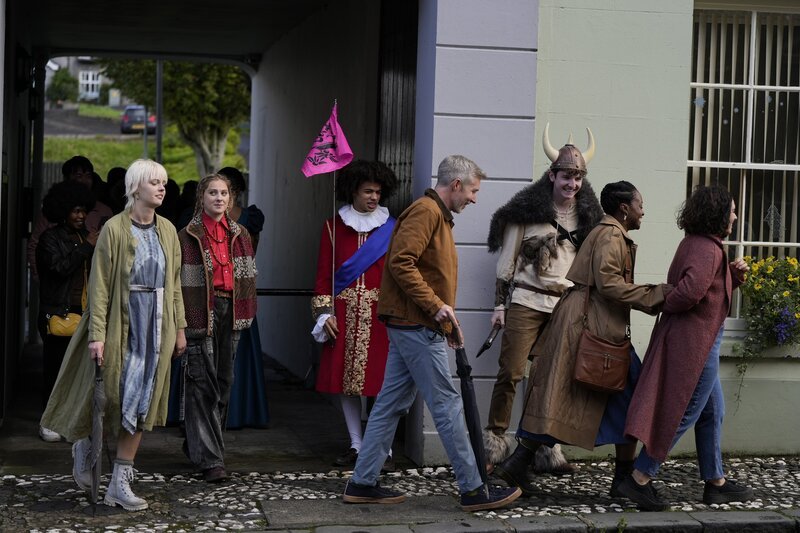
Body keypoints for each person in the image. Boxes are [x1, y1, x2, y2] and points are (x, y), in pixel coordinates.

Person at [342, 155, 522, 512]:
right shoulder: (426, 212)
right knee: (447, 405)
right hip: (416, 325)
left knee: (390, 404)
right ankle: (474, 489)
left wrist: (444, 321)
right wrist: (436, 308)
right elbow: (401, 262)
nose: (474, 198)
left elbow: (414, 267)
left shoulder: (435, 215)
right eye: (472, 190)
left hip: (415, 324)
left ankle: (362, 483)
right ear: (455, 185)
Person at [494, 181, 671, 499]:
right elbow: (609, 284)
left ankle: (518, 465)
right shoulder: (610, 235)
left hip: (592, 324)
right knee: (627, 398)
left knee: (562, 396)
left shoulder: (611, 233)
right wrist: (658, 294)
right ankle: (622, 480)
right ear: (624, 208)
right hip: (591, 327)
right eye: (640, 203)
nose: (644, 210)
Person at [40, 159, 187, 512]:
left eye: (164, 182)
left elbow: (175, 284)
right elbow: (101, 286)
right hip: (123, 324)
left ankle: (120, 481)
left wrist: (180, 329)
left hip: (156, 326)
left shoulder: (168, 229)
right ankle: (86, 445)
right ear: (136, 187)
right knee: (110, 395)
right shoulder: (115, 229)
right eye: (155, 182)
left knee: (141, 402)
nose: (162, 188)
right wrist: (97, 335)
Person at [620, 186, 754, 511]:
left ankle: (716, 482)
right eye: (732, 210)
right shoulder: (707, 250)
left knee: (712, 411)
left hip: (699, 339)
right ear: (718, 213)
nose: (735, 216)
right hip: (696, 345)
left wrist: (729, 277)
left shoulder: (699, 245)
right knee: (684, 410)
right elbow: (688, 293)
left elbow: (703, 290)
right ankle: (639, 478)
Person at [484, 125, 603, 473]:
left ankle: (543, 449)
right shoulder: (526, 213)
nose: (572, 184)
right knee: (511, 373)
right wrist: (499, 306)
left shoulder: (587, 219)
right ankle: (494, 443)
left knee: (549, 380)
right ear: (552, 176)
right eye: (567, 176)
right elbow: (506, 262)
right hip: (526, 302)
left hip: (564, 307)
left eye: (578, 178)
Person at [311, 160, 397, 467]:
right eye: (367, 191)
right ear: (353, 192)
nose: (374, 197)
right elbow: (323, 278)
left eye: (378, 191)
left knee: (381, 382)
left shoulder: (392, 228)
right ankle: (357, 444)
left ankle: (382, 448)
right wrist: (324, 314)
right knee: (345, 383)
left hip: (380, 315)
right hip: (344, 315)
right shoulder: (333, 228)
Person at [178, 173, 258, 483]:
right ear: (202, 197)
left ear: (231, 198)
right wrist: (181, 322)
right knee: (202, 384)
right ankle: (212, 460)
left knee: (225, 382)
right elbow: (179, 281)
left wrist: (247, 311)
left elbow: (249, 275)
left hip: (232, 310)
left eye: (224, 193)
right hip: (202, 311)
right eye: (212, 192)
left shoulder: (242, 234)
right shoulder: (187, 235)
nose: (219, 198)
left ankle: (199, 445)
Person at [35, 181, 98, 442]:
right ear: (62, 212)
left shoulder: (86, 236)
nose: (81, 216)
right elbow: (59, 268)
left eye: (84, 211)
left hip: (84, 312)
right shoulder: (50, 239)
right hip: (58, 312)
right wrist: (86, 248)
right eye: (75, 211)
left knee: (80, 372)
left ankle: (72, 422)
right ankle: (49, 421)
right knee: (56, 369)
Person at [218, 166, 269, 429]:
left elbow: (251, 253)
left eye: (223, 190)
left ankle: (239, 412)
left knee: (239, 354)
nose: (218, 195)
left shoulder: (250, 219)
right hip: (213, 292)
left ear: (235, 192)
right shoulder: (203, 218)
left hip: (241, 288)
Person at [27, 155, 113, 280]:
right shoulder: (53, 214)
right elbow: (34, 244)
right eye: (78, 176)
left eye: (88, 176)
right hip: (60, 289)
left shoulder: (104, 211)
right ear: (67, 179)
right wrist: (40, 278)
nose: (84, 180)